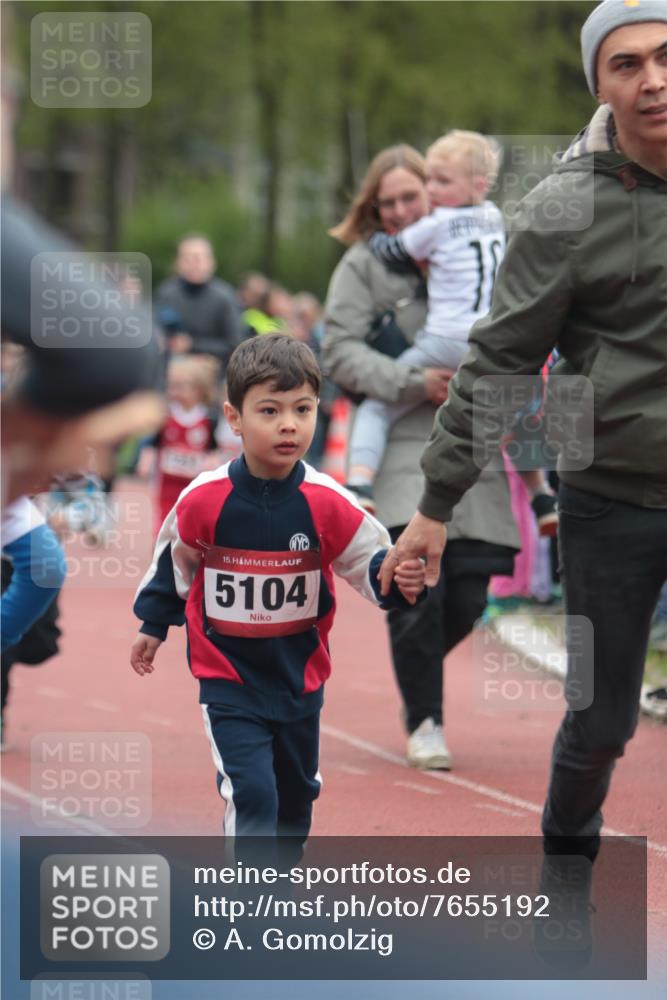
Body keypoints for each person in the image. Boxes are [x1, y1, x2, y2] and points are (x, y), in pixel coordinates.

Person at [380, 0, 667, 859]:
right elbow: (501, 363)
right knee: (602, 721)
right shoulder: (560, 210)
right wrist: (434, 506)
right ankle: (566, 877)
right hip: (610, 497)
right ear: (599, 86)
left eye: (665, 56)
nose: (653, 79)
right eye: (626, 64)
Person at [130, 334, 425, 847]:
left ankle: (278, 886)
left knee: (294, 801)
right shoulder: (204, 499)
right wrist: (154, 623)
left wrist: (398, 581)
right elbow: (174, 560)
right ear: (234, 417)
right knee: (252, 794)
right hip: (228, 678)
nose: (289, 424)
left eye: (302, 409)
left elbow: (369, 561)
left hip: (299, 678)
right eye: (270, 410)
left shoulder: (328, 501)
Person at [323, 145, 519, 770]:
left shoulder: (471, 241)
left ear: (435, 196)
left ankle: (418, 670)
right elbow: (338, 351)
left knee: (469, 592)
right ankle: (425, 721)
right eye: (388, 202)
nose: (402, 210)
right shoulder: (363, 265)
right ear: (373, 208)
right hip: (401, 442)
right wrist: (414, 381)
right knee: (413, 586)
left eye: (413, 197)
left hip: (473, 439)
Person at [347, 130, 557, 535]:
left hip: (446, 340)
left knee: (375, 408)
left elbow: (394, 249)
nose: (431, 189)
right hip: (491, 340)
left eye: (441, 181)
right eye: (429, 179)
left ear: (477, 184)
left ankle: (359, 483)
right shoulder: (494, 216)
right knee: (513, 417)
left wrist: (372, 238)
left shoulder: (438, 223)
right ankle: (542, 495)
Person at [136, 355, 219, 533]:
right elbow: (153, 442)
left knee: (191, 516)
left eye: (180, 386)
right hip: (167, 481)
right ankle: (161, 544)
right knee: (164, 515)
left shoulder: (208, 418)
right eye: (172, 386)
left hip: (194, 482)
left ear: (199, 390)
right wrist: (145, 461)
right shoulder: (166, 415)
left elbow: (212, 447)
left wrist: (212, 463)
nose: (174, 391)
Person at [155, 234, 241, 370]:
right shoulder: (166, 293)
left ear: (211, 262)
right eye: (187, 259)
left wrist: (192, 345)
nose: (193, 264)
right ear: (177, 263)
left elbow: (235, 345)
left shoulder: (225, 297)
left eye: (198, 258)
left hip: (215, 372)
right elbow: (156, 332)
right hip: (171, 369)